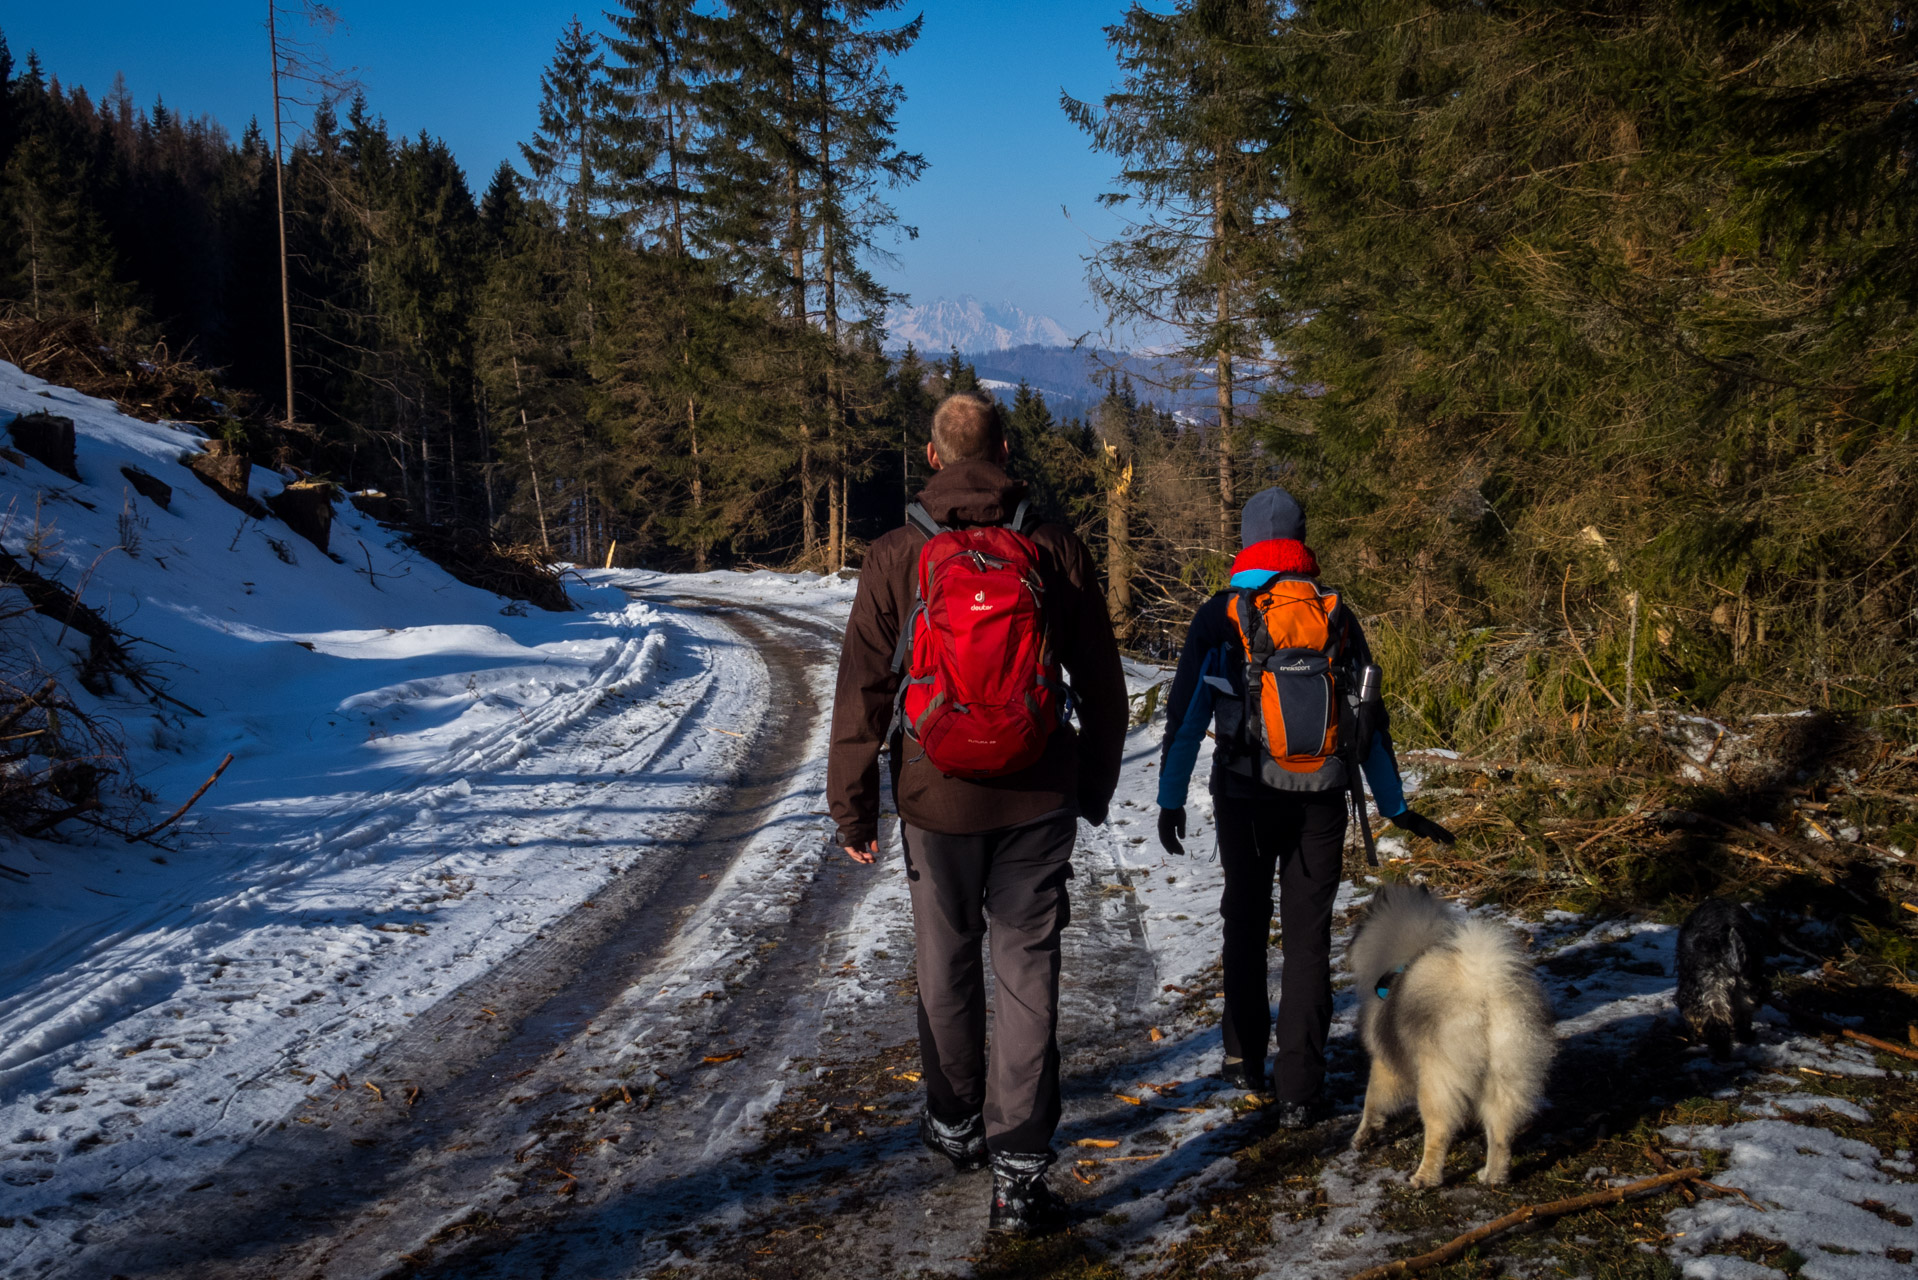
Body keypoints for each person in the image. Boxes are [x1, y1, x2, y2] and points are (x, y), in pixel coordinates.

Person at [826, 392, 1127, 1234]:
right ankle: (1021, 1171)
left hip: (933, 794)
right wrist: (1092, 784)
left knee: (945, 961)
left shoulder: (896, 554)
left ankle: (955, 1122)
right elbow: (1102, 684)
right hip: (1037, 794)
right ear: (1004, 449)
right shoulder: (1052, 544)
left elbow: (863, 690)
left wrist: (854, 808)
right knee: (1027, 972)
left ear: (933, 457)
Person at [1155, 486, 1455, 1128]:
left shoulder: (1220, 616)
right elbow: (1369, 722)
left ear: (1246, 541)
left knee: (1244, 918)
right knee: (1307, 941)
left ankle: (1242, 1058)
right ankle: (1301, 1088)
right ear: (1300, 540)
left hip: (1243, 794)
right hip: (1321, 797)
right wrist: (1395, 805)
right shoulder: (1335, 616)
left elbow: (1184, 719)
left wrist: (1169, 798)